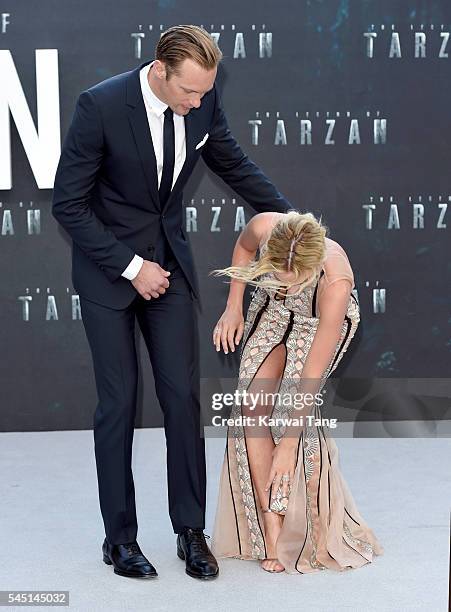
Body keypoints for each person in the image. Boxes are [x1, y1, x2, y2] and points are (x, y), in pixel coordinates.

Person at [51, 25, 292, 580]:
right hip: (111, 273)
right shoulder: (101, 106)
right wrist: (132, 268)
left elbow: (235, 165)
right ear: (159, 72)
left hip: (171, 270)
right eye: (189, 92)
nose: (198, 102)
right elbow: (69, 204)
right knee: (119, 404)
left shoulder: (202, 105)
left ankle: (190, 532)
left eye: (206, 92)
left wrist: (293, 225)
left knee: (182, 399)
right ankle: (120, 540)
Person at [210, 210, 384, 573]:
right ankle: (270, 521)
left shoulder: (336, 281)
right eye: (278, 275)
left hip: (318, 323)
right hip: (271, 309)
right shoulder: (263, 226)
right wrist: (233, 307)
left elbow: (311, 376)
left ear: (314, 265)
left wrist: (288, 445)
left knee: (291, 415)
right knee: (252, 408)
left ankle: (297, 521)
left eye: (296, 281)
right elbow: (243, 250)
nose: (289, 287)